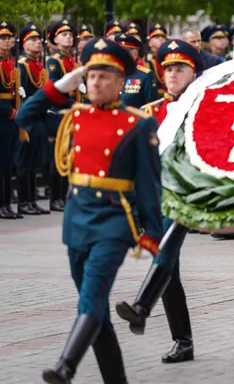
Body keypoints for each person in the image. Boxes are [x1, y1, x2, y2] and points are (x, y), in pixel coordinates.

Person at [15, 38, 162, 384]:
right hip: (77, 221)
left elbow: (149, 184)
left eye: (104, 76)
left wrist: (152, 233)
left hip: (114, 222)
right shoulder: (75, 118)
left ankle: (66, 367)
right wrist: (58, 87)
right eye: (91, 75)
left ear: (121, 81)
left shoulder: (139, 124)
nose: (95, 82)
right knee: (96, 310)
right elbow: (25, 116)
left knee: (92, 297)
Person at [116, 39, 204, 364]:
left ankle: (140, 306)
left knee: (164, 249)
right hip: (156, 198)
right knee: (171, 272)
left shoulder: (205, 110)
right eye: (168, 69)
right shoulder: (153, 111)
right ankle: (184, 341)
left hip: (187, 197)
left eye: (179, 69)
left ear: (194, 72)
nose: (172, 75)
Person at [16, 22, 50, 216]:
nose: (38, 43)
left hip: (38, 117)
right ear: (24, 44)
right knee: (24, 160)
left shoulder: (38, 65)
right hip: (28, 118)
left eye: (38, 39)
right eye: (33, 40)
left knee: (34, 159)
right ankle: (22, 201)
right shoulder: (21, 65)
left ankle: (31, 200)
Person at [46, 19, 77, 213]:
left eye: (70, 34)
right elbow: (54, 90)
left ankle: (63, 195)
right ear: (55, 39)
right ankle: (54, 197)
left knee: (68, 155)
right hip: (60, 111)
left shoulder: (71, 60)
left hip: (72, 111)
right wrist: (72, 104)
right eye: (64, 34)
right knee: (58, 155)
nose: (68, 37)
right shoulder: (54, 61)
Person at [0, 21, 21, 219]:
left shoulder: (11, 63)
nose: (7, 41)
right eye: (3, 38)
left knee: (8, 164)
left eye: (9, 38)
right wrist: (9, 109)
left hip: (12, 117)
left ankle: (6, 204)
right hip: (2, 116)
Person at [116, 33, 159, 108]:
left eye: (128, 50)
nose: (123, 54)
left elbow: (151, 108)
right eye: (120, 50)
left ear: (136, 53)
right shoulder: (110, 73)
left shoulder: (145, 75)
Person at [147, 23, 168, 95]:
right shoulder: (146, 61)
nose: (161, 39)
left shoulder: (168, 59)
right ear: (150, 43)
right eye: (156, 37)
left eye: (163, 37)